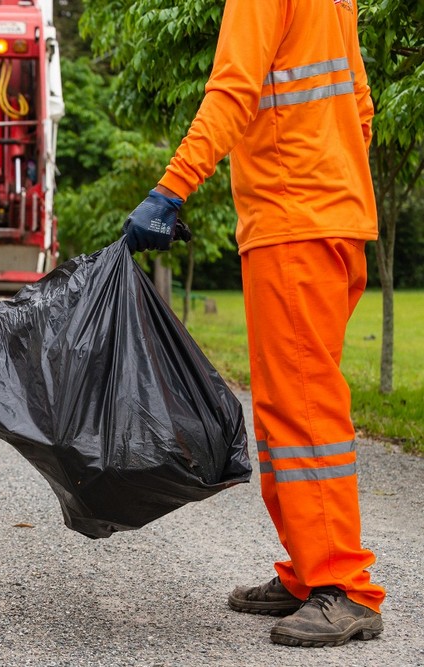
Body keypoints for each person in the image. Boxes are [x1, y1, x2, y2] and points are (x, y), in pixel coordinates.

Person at [122, 0, 384, 649]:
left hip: (294, 219)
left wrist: (171, 188)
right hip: (331, 216)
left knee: (300, 406)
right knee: (289, 401)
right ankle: (308, 567)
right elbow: (361, 107)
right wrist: (332, 176)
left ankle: (342, 585)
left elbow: (233, 91)